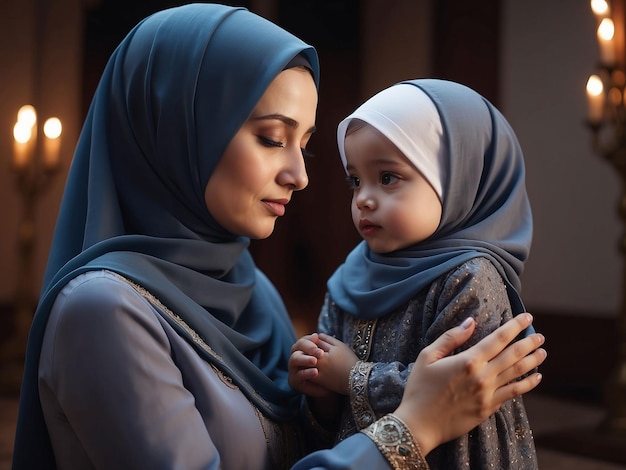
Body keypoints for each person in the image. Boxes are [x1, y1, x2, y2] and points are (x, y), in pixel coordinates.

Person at [11, 5, 546, 470]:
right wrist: (414, 427)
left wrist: (330, 400)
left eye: (305, 146)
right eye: (272, 138)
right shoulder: (101, 312)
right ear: (180, 132)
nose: (301, 174)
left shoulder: (254, 292)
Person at [289, 79, 540, 469]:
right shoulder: (351, 276)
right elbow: (330, 406)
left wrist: (352, 376)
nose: (364, 199)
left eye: (387, 177)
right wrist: (317, 384)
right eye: (355, 180)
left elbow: (458, 391)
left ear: (458, 178)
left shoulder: (470, 278)